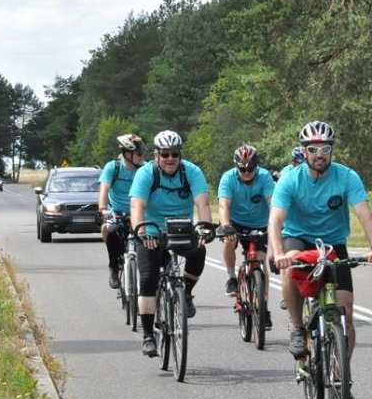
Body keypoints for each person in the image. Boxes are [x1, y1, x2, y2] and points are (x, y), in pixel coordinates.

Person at [268, 120, 372, 364]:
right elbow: (275, 221)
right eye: (313, 149)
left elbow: (364, 213)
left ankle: (343, 375)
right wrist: (279, 253)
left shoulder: (347, 176)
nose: (319, 154)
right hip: (298, 237)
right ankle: (298, 327)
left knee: (346, 313)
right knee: (289, 269)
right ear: (303, 151)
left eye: (325, 149)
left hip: (333, 243)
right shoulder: (290, 180)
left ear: (332, 150)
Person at [129, 130, 214, 360]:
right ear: (156, 155)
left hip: (182, 228)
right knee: (147, 279)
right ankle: (148, 335)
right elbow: (137, 206)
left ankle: (186, 293)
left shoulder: (192, 172)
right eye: (164, 154)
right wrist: (141, 231)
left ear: (180, 155)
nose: (170, 159)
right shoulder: (146, 173)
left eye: (174, 154)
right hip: (151, 231)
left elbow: (203, 203)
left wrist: (204, 227)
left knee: (199, 250)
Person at [216, 144, 275, 327]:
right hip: (235, 222)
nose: (247, 172)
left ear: (256, 165)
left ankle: (263, 307)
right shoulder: (228, 178)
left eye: (250, 169)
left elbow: (273, 203)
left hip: (259, 223)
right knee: (228, 241)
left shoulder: (265, 177)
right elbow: (224, 205)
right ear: (236, 166)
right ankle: (231, 277)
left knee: (260, 262)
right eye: (242, 169)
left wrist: (276, 225)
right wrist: (226, 226)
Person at [97, 134, 145, 288]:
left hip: (138, 213)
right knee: (110, 230)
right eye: (138, 154)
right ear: (127, 154)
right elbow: (104, 189)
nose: (141, 157)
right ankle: (113, 268)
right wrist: (103, 209)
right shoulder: (113, 167)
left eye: (142, 153)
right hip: (117, 212)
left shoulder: (145, 168)